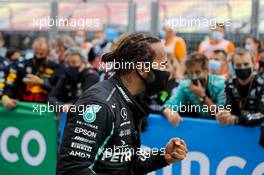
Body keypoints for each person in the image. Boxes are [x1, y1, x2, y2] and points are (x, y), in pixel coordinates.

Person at [56, 32, 188, 175]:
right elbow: (72, 170)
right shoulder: (99, 104)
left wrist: (163, 156)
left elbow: (124, 165)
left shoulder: (129, 99)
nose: (166, 71)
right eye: (162, 65)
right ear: (142, 68)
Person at [215, 48, 264, 147]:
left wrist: (236, 120)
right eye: (238, 65)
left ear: (253, 64)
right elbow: (227, 107)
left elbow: (262, 115)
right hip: (238, 139)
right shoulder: (230, 84)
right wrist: (222, 115)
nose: (242, 68)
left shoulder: (261, 84)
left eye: (246, 64)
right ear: (232, 67)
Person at [162, 52, 226, 125]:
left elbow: (222, 114)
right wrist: (170, 113)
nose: (194, 76)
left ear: (206, 71)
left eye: (197, 72)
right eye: (191, 73)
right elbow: (168, 105)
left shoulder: (221, 84)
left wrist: (203, 97)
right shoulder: (185, 85)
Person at [1, 37, 63, 109]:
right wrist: (6, 97)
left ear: (48, 51)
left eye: (42, 53)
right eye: (36, 53)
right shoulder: (22, 65)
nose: (38, 56)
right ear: (33, 50)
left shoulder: (56, 67)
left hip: (46, 110)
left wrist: (42, 83)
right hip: (25, 108)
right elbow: (11, 84)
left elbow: (59, 91)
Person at [49, 47, 99, 112]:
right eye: (67, 63)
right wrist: (62, 106)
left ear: (84, 62)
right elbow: (52, 97)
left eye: (74, 62)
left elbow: (87, 101)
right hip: (68, 113)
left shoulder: (91, 76)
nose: (70, 65)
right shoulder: (66, 75)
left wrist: (72, 106)